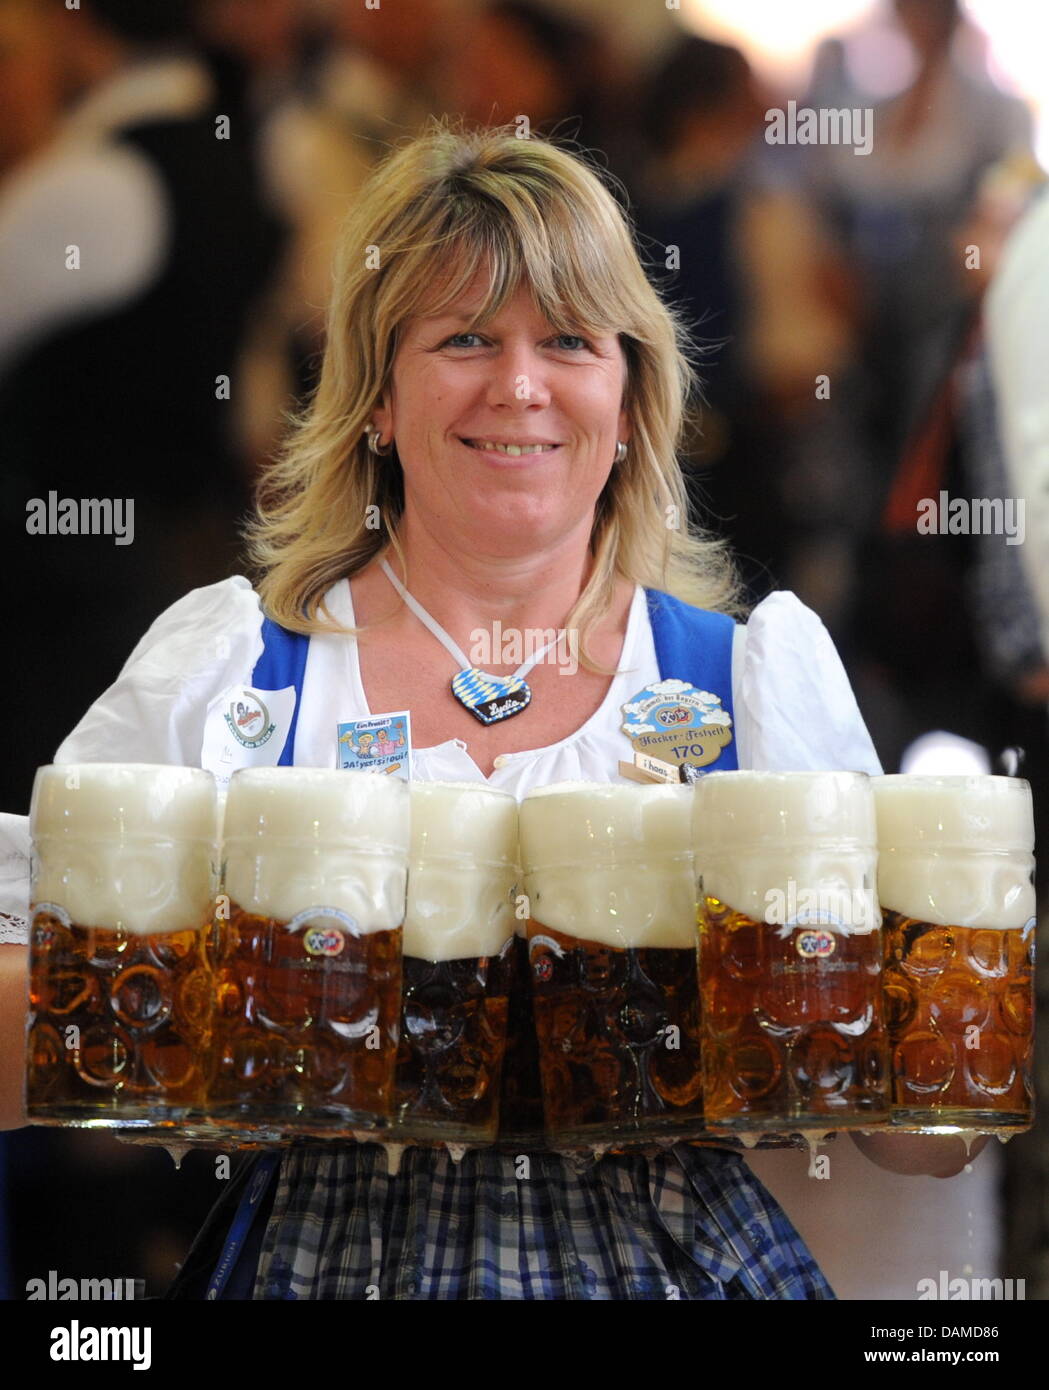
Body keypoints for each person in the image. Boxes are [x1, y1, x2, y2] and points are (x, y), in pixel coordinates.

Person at [0, 121, 977, 1300]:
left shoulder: (745, 677)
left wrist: (928, 1021)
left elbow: (920, 1142)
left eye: (567, 340)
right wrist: (204, 997)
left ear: (627, 400)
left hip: (672, 1262)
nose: (518, 383)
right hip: (326, 1263)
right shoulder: (239, 671)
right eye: (464, 338)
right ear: (374, 396)